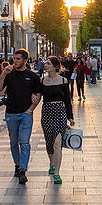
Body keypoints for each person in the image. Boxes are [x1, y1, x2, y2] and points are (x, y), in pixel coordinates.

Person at [0, 49, 41, 184]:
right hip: (11, 113)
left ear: (25, 60)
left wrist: (30, 110)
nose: (15, 61)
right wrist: (4, 73)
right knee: (14, 142)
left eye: (18, 59)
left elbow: (38, 94)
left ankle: (23, 170)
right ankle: (17, 164)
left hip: (25, 114)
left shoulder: (32, 76)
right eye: (14, 58)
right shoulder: (9, 75)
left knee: (24, 142)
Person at [38, 55, 74, 186]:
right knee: (49, 141)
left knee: (58, 141)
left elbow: (67, 100)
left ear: (55, 66)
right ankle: (51, 163)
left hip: (60, 112)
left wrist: (70, 117)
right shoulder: (42, 81)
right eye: (45, 63)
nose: (45, 65)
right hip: (46, 111)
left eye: (48, 63)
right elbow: (37, 95)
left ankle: (57, 172)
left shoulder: (63, 81)